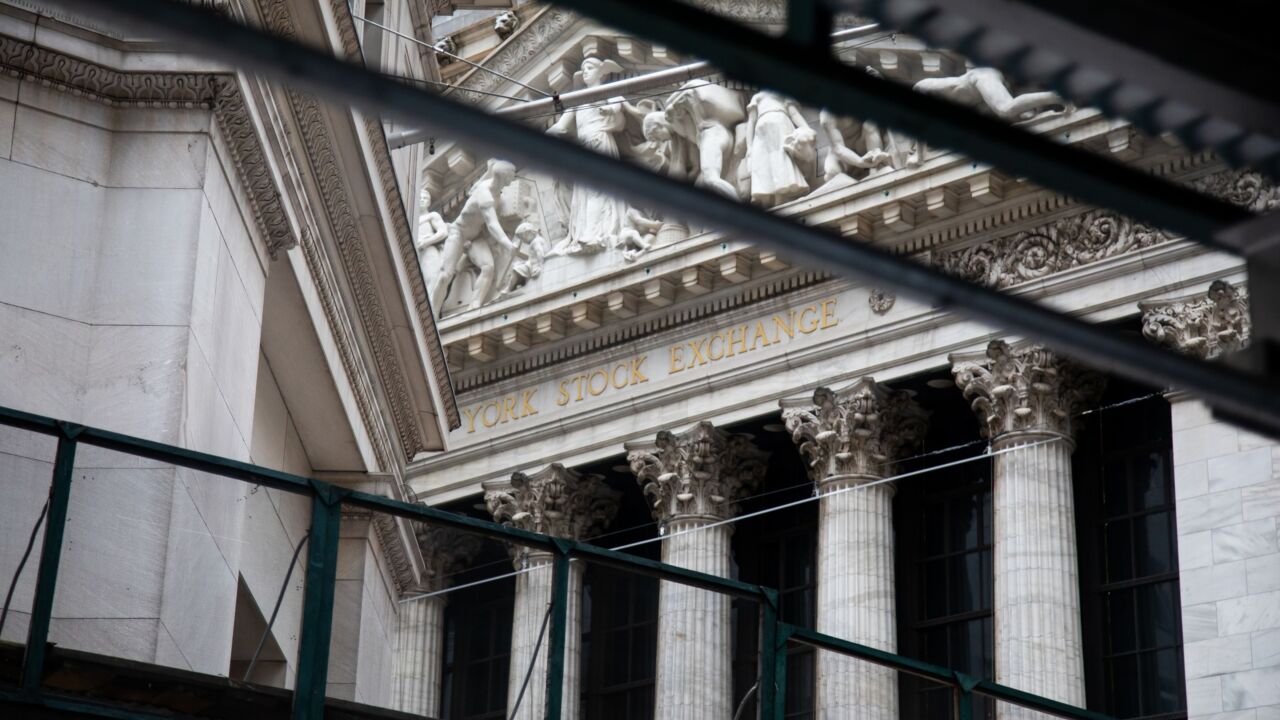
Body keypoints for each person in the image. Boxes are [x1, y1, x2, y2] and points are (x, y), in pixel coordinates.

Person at [546, 56, 630, 255]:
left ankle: (594, 235)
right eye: (583, 69)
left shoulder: (605, 93)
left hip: (599, 142)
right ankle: (587, 233)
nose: (585, 72)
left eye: (590, 67)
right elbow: (560, 126)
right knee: (585, 193)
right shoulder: (578, 100)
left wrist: (608, 108)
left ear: (601, 71)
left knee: (596, 190)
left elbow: (617, 105)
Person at [429, 159, 517, 315]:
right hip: (459, 234)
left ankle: (475, 305)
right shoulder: (485, 194)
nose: (512, 180)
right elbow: (492, 224)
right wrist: (508, 244)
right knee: (445, 274)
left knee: (488, 267)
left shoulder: (493, 188)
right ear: (503, 177)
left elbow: (485, 176)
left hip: (475, 237)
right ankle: (431, 315)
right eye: (511, 176)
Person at [744, 90, 815, 206]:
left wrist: (806, 128)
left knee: (780, 160)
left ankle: (780, 198)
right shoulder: (757, 97)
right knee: (762, 162)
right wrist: (749, 147)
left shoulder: (782, 92)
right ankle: (768, 197)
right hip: (761, 131)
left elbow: (794, 114)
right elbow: (751, 123)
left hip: (780, 125)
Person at [914, 67, 1066, 121]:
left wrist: (917, 157)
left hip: (979, 79)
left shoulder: (921, 88)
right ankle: (1033, 110)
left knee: (1005, 110)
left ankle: (1056, 96)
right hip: (980, 92)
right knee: (1015, 115)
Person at [415, 188, 450, 279]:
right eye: (420, 198)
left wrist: (426, 242)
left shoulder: (432, 215)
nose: (422, 199)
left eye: (425, 198)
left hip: (427, 250)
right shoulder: (412, 220)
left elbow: (443, 232)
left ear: (429, 203)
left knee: (431, 278)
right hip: (416, 253)